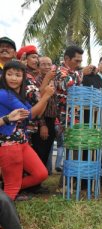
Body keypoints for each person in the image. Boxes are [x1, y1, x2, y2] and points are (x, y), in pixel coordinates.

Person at [0, 61, 55, 200]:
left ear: (23, 77)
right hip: (9, 144)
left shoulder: (18, 95)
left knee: (41, 174)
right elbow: (29, 114)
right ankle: (6, 211)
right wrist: (46, 96)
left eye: (18, 75)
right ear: (4, 76)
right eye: (9, 74)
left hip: (22, 142)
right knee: (12, 188)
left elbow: (36, 113)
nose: (13, 78)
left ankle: (5, 191)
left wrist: (45, 98)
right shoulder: (4, 94)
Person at [31, 56, 57, 174]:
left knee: (46, 150)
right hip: (41, 119)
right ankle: (34, 183)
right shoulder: (35, 80)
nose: (47, 67)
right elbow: (37, 102)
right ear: (38, 66)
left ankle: (39, 182)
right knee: (39, 151)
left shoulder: (54, 80)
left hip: (52, 119)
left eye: (49, 64)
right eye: (43, 64)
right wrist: (42, 125)